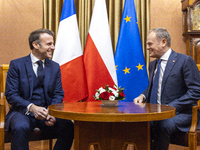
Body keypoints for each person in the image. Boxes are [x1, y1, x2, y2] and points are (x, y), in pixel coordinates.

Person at [5, 28, 74, 150]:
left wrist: (52, 113)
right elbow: (11, 95)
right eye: (49, 44)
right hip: (22, 112)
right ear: (35, 45)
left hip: (47, 113)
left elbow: (58, 94)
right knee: (20, 127)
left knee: (68, 126)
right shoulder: (16, 65)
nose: (53, 47)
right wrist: (32, 107)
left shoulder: (55, 67)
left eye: (52, 44)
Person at [134, 27, 200, 150]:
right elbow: (153, 86)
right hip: (157, 113)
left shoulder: (185, 61)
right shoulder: (153, 64)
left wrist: (172, 107)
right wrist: (143, 96)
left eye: (150, 44)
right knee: (140, 124)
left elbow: (196, 91)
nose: (147, 47)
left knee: (162, 124)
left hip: (181, 113)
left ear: (163, 42)